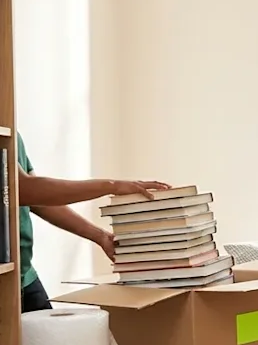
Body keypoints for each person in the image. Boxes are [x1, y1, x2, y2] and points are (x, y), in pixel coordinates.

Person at [15, 133, 170, 313]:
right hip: (1, 275)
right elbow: (24, 189)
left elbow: (39, 199)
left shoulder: (13, 133)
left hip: (25, 274)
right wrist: (112, 186)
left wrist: (101, 236)